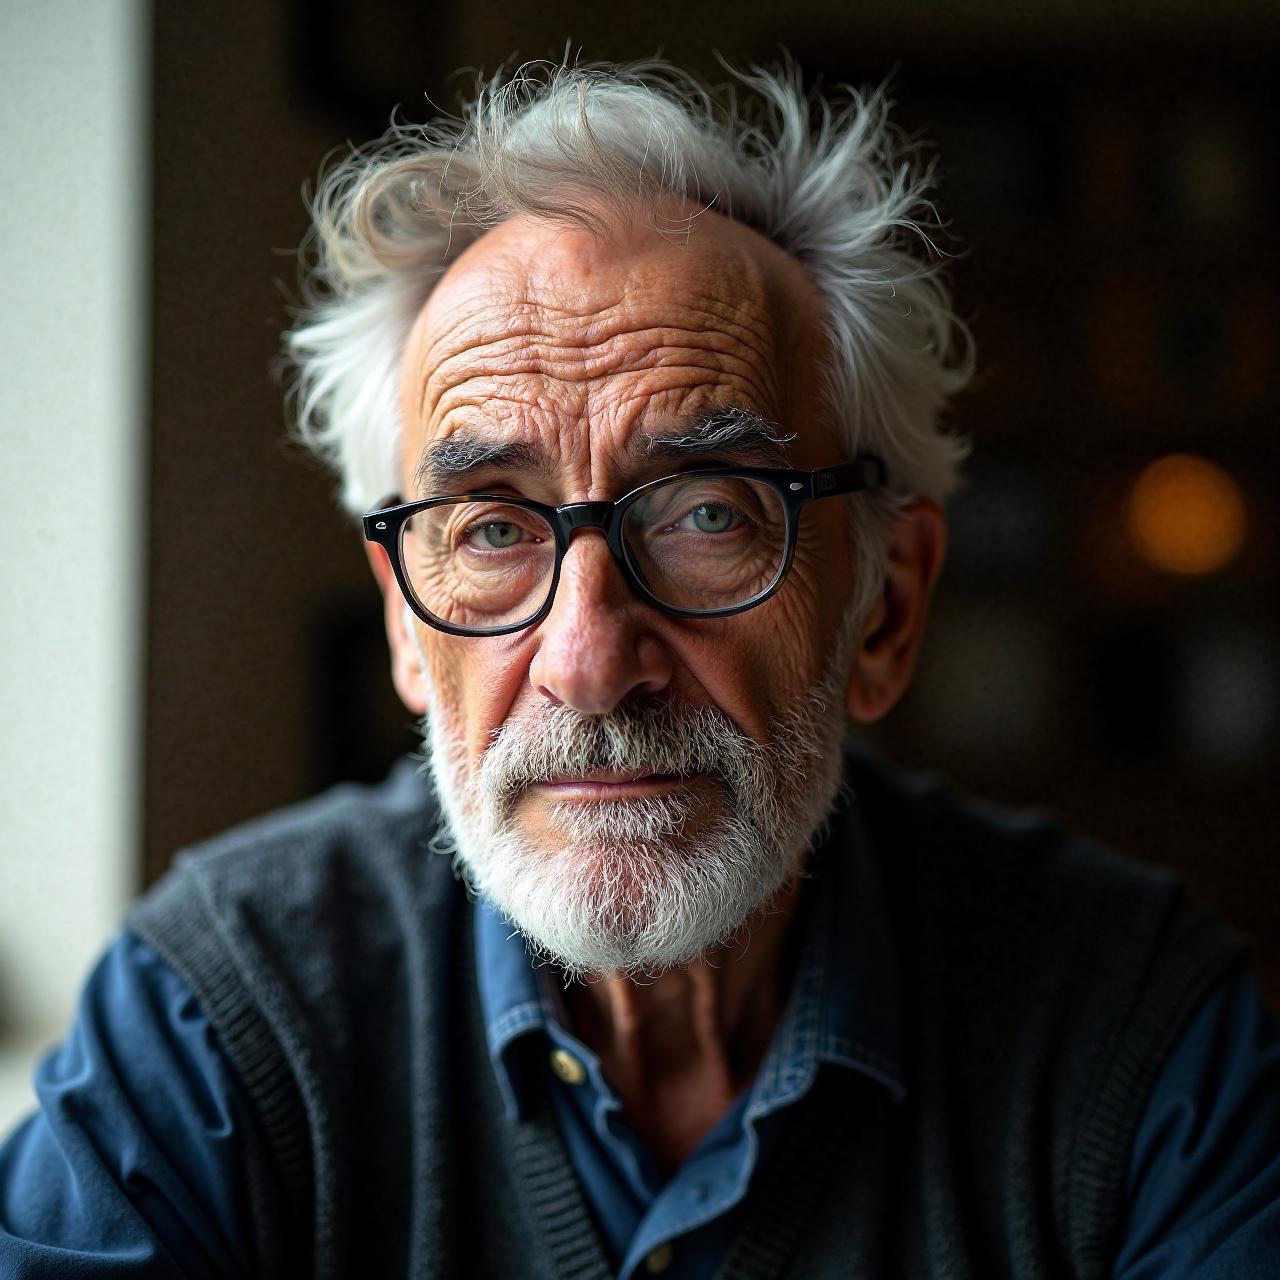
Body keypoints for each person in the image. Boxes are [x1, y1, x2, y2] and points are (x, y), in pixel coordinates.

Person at [2, 59, 1278, 1279]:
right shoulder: (222, 1010)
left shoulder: (1138, 1029)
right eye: (492, 529)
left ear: (883, 607)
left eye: (707, 512)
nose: (589, 660)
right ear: (404, 622)